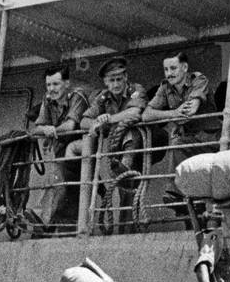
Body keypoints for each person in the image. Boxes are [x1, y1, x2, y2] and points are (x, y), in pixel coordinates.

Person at [143, 51, 222, 214]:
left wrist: (176, 115)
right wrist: (172, 113)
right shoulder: (165, 87)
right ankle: (187, 201)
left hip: (207, 141)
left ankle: (175, 193)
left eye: (173, 68)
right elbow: (146, 115)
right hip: (187, 143)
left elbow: (189, 111)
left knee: (177, 145)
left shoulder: (199, 79)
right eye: (166, 69)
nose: (169, 74)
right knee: (178, 145)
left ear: (185, 67)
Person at [76, 57, 148, 230]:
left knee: (130, 131)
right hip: (119, 149)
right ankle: (126, 228)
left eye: (119, 79)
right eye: (112, 80)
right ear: (106, 82)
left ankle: (124, 166)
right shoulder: (103, 97)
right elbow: (83, 121)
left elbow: (135, 112)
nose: (116, 84)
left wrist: (108, 120)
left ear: (125, 77)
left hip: (145, 144)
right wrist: (95, 122)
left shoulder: (136, 89)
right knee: (127, 186)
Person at [31, 66, 88, 234]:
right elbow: (37, 128)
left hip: (80, 152)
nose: (51, 89)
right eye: (48, 85)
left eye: (56, 84)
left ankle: (42, 219)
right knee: (62, 188)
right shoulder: (48, 100)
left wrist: (51, 130)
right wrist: (46, 128)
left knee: (59, 180)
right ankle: (51, 226)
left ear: (67, 83)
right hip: (61, 151)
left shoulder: (77, 97)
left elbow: (70, 126)